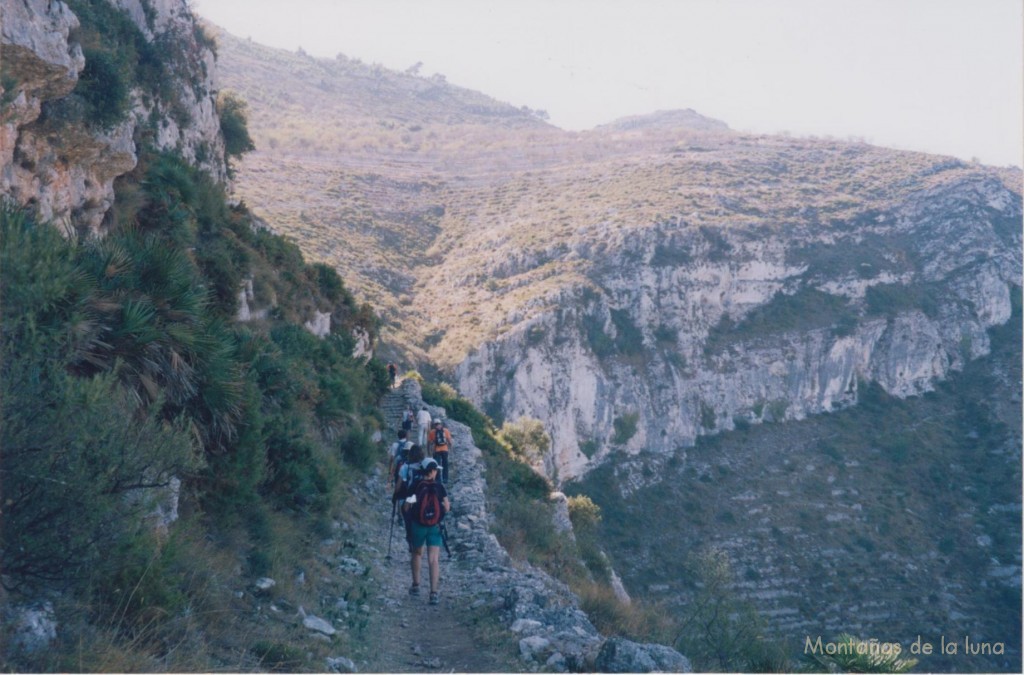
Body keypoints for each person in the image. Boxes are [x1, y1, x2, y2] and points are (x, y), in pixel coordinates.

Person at [403, 458, 449, 605]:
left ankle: (416, 585)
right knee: (434, 559)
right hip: (435, 527)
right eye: (436, 470)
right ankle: (433, 593)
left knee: (417, 554)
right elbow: (447, 507)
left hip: (418, 525)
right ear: (433, 471)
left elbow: (406, 507)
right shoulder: (439, 487)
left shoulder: (416, 486)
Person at [427, 419, 452, 483]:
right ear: (440, 423)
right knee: (445, 464)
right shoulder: (446, 430)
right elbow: (449, 441)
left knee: (437, 465)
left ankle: (438, 479)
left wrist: (429, 451)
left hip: (436, 450)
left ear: (434, 424)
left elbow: (429, 443)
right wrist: (450, 448)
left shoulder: (432, 432)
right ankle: (445, 478)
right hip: (445, 449)